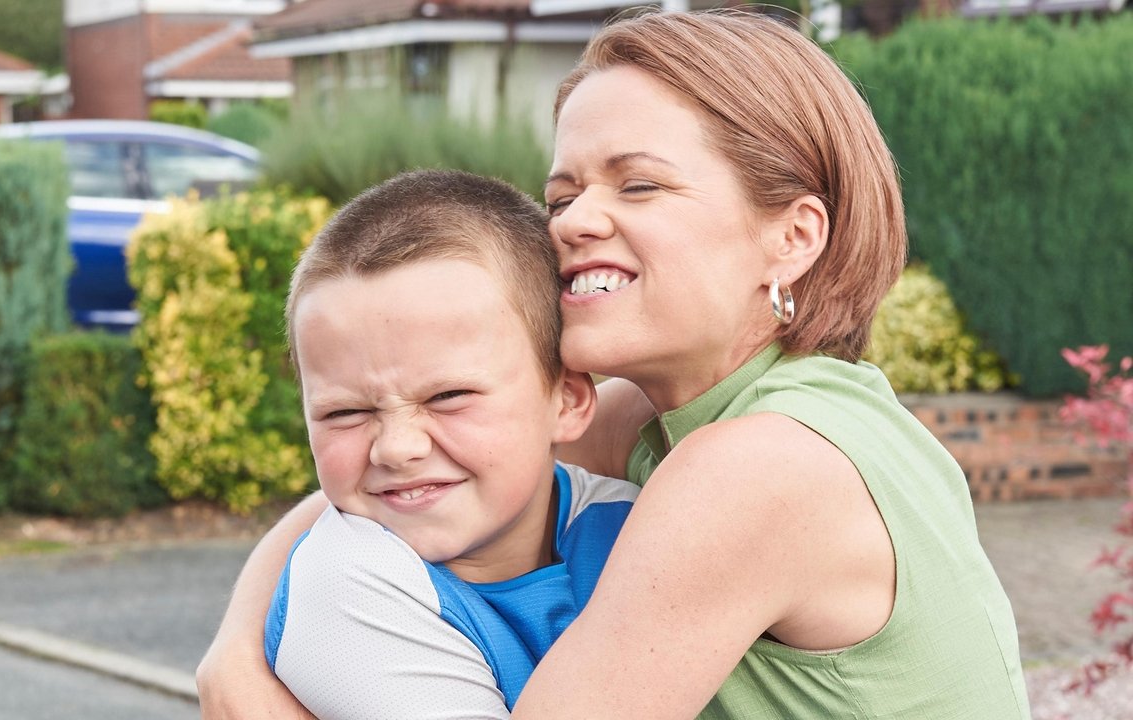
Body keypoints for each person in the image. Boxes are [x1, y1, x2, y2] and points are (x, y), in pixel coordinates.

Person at [199, 10, 1031, 719]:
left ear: (792, 236)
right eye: (562, 196)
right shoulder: (730, 413)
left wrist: (253, 667)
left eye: (638, 186)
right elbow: (394, 468)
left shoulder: (757, 466)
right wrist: (239, 643)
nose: (571, 223)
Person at [263, 169, 639, 719]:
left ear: (567, 401)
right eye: (345, 412)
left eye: (448, 396)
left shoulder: (636, 518)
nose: (397, 448)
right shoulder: (342, 585)